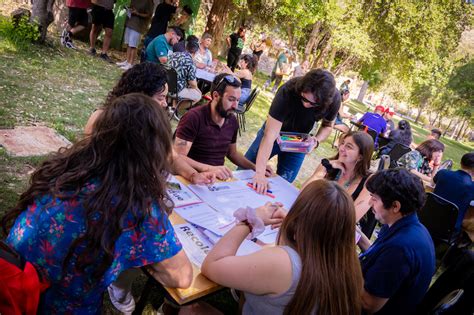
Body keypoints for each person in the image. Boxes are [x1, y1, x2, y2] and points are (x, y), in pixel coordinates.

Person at [1, 94, 193, 314]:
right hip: (49, 305)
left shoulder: (66, 168)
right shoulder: (137, 206)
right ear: (155, 149)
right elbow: (182, 276)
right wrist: (143, 259)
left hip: (13, 284)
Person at [202, 180, 363, 314]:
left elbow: (211, 266)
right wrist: (294, 223)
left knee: (192, 309)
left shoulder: (284, 263)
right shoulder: (347, 267)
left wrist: (251, 222)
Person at [84, 62, 214, 185]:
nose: (165, 103)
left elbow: (172, 157)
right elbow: (90, 165)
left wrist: (193, 175)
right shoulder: (102, 118)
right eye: (160, 98)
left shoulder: (152, 123)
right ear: (141, 97)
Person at [245, 69, 340, 192]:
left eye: (313, 104)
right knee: (246, 169)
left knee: (283, 183)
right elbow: (269, 136)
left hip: (300, 140)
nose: (306, 105)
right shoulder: (288, 90)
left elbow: (327, 126)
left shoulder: (334, 99)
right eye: (304, 99)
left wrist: (316, 141)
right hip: (275, 132)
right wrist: (259, 172)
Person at [357, 169, 436, 315]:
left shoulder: (400, 249)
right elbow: (378, 253)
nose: (369, 203)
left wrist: (341, 262)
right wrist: (357, 236)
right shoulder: (405, 224)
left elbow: (367, 304)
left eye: (374, 199)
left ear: (395, 206)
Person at [174, 73, 273, 180]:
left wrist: (256, 167)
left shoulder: (232, 121)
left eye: (238, 100)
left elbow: (232, 153)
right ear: (216, 96)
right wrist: (209, 169)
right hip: (192, 178)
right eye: (231, 99)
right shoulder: (193, 118)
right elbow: (178, 156)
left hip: (217, 181)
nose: (235, 106)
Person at [302, 131, 374, 221]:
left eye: (349, 147)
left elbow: (351, 219)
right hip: (310, 219)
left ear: (360, 157)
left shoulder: (369, 181)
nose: (341, 148)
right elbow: (302, 193)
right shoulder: (328, 165)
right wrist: (324, 170)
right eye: (342, 143)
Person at [433, 152, 474, 231]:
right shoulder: (472, 186)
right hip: (450, 227)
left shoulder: (443, 173)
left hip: (428, 216)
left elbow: (432, 182)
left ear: (461, 162)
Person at [115, 0, 154, 70]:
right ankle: (127, 61)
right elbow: (132, 8)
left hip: (138, 26)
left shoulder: (149, 2)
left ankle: (131, 64)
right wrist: (129, 9)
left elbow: (149, 15)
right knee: (128, 44)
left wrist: (137, 13)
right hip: (130, 22)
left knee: (133, 45)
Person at [168, 35, 202, 103]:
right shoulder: (191, 63)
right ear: (196, 52)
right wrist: (199, 90)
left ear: (186, 47)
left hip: (165, 85)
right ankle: (174, 110)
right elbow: (192, 84)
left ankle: (171, 106)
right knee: (198, 95)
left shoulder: (174, 54)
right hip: (175, 90)